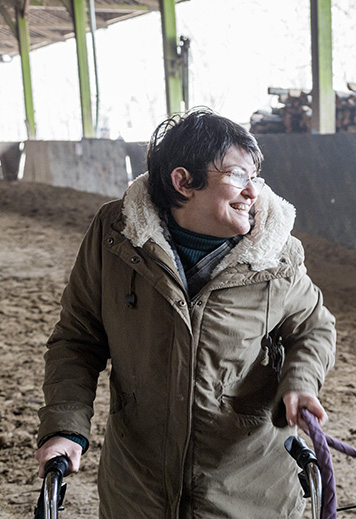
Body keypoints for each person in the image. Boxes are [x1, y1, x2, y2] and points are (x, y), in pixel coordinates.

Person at [35, 107, 337, 518]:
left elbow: (313, 327)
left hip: (248, 495)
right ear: (183, 181)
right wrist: (65, 427)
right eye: (237, 176)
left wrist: (301, 381)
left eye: (256, 177)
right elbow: (77, 338)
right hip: (139, 492)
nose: (253, 192)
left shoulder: (275, 254)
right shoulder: (115, 239)